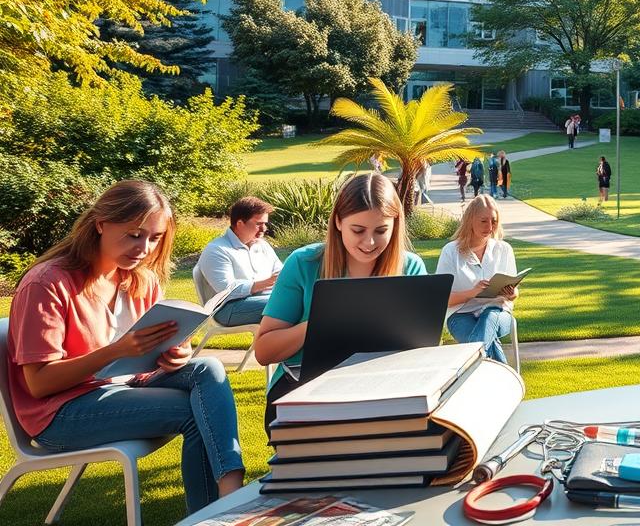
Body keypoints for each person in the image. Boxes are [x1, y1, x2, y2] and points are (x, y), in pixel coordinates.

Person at [5, 181, 243, 513]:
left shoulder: (139, 280)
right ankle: (220, 511)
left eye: (154, 238)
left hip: (125, 388)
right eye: (134, 235)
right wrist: (116, 350)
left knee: (207, 368)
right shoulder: (47, 284)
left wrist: (175, 354)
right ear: (101, 223)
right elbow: (39, 383)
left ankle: (229, 493)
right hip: (59, 415)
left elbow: (155, 354)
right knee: (196, 411)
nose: (144, 248)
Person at [255, 173, 426, 428]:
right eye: (358, 230)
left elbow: (422, 351)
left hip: (384, 389)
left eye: (381, 231)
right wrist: (321, 323)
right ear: (338, 222)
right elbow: (264, 351)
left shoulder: (410, 267)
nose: (369, 242)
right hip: (305, 390)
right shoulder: (304, 263)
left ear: (395, 226)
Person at [436, 195, 518, 364]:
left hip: (498, 312)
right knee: (486, 342)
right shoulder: (450, 252)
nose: (490, 227)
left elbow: (514, 294)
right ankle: (502, 378)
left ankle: (463, 372)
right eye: (483, 221)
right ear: (470, 220)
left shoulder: (504, 249)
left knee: (488, 319)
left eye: (493, 221)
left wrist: (511, 293)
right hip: (460, 315)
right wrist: (473, 293)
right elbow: (443, 299)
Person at [193, 196, 283, 327]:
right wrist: (264, 284)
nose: (264, 229)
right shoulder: (217, 249)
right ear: (240, 224)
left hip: (263, 299)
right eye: (258, 224)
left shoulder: (262, 246)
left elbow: (280, 273)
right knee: (286, 306)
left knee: (302, 301)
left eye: (265, 224)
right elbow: (226, 290)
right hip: (227, 309)